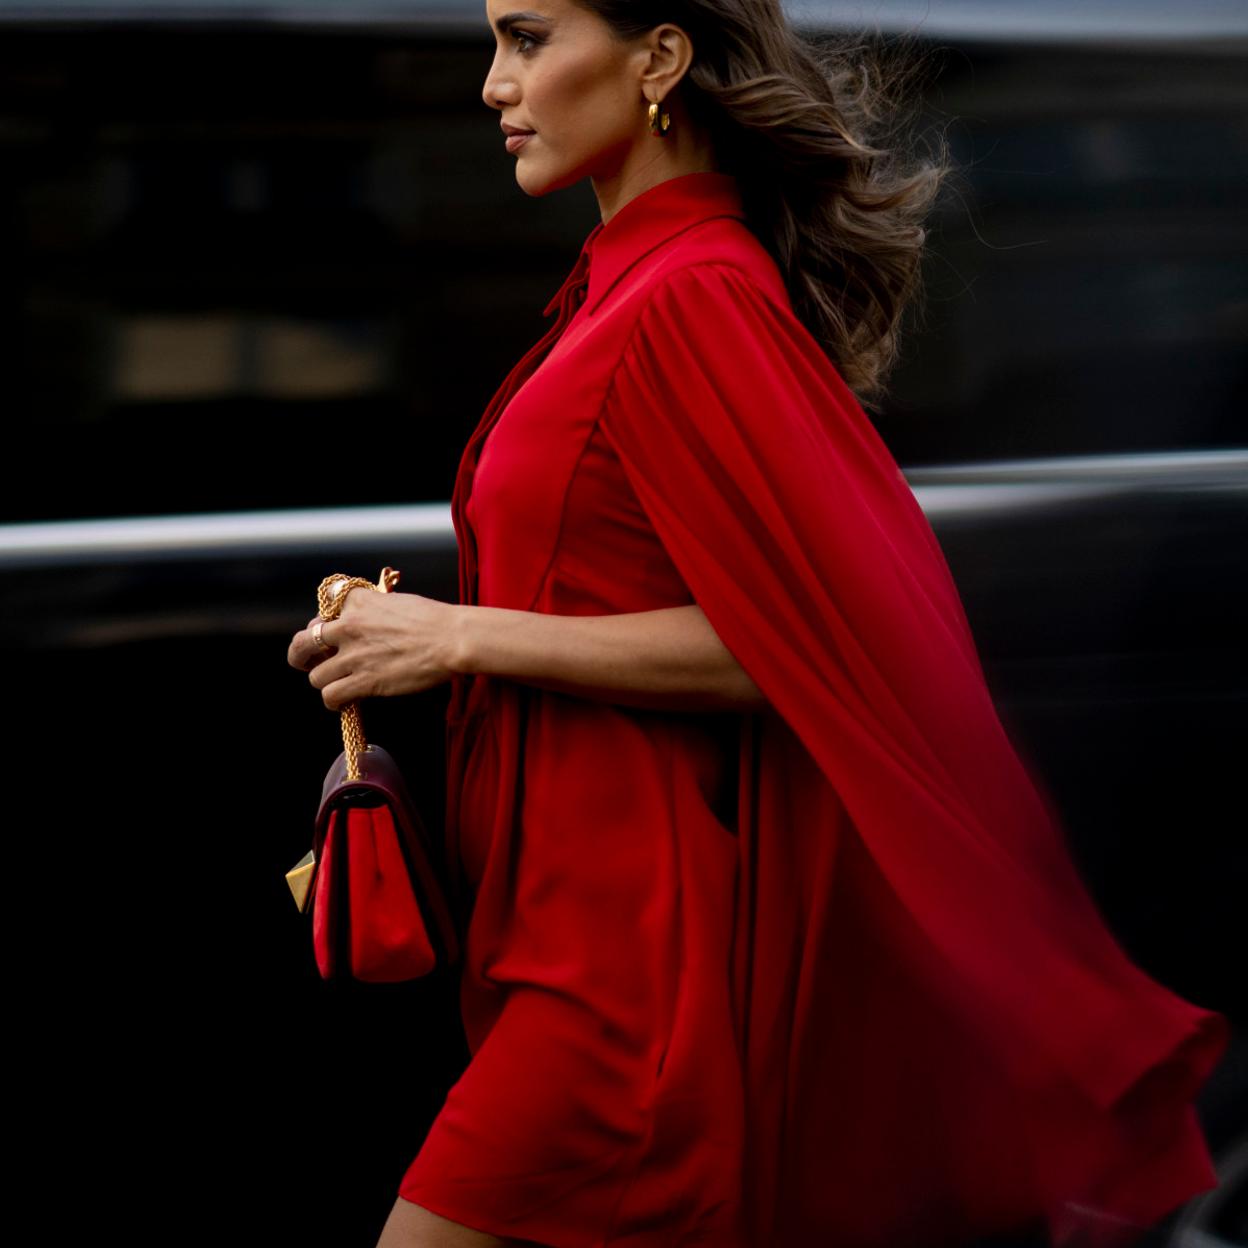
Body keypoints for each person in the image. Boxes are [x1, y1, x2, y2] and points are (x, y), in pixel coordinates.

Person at [286, 2, 1228, 1246]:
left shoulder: (691, 297)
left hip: (632, 968)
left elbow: (807, 647)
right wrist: (414, 630)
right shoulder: (625, 288)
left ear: (660, 59)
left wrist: (462, 638)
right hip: (560, 932)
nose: (491, 84)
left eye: (526, 38)